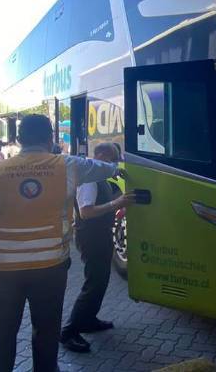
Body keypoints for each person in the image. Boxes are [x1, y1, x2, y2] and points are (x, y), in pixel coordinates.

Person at [0, 114, 124, 372]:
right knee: (46, 333)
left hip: (4, 270)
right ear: (50, 137)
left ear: (18, 139)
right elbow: (107, 167)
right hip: (50, 268)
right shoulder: (69, 165)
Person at [60, 143, 136, 353]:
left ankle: (88, 320)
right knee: (93, 282)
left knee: (101, 280)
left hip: (99, 234)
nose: (113, 163)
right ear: (101, 155)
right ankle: (69, 332)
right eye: (112, 159)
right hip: (91, 235)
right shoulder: (89, 178)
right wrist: (116, 203)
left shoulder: (98, 176)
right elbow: (86, 212)